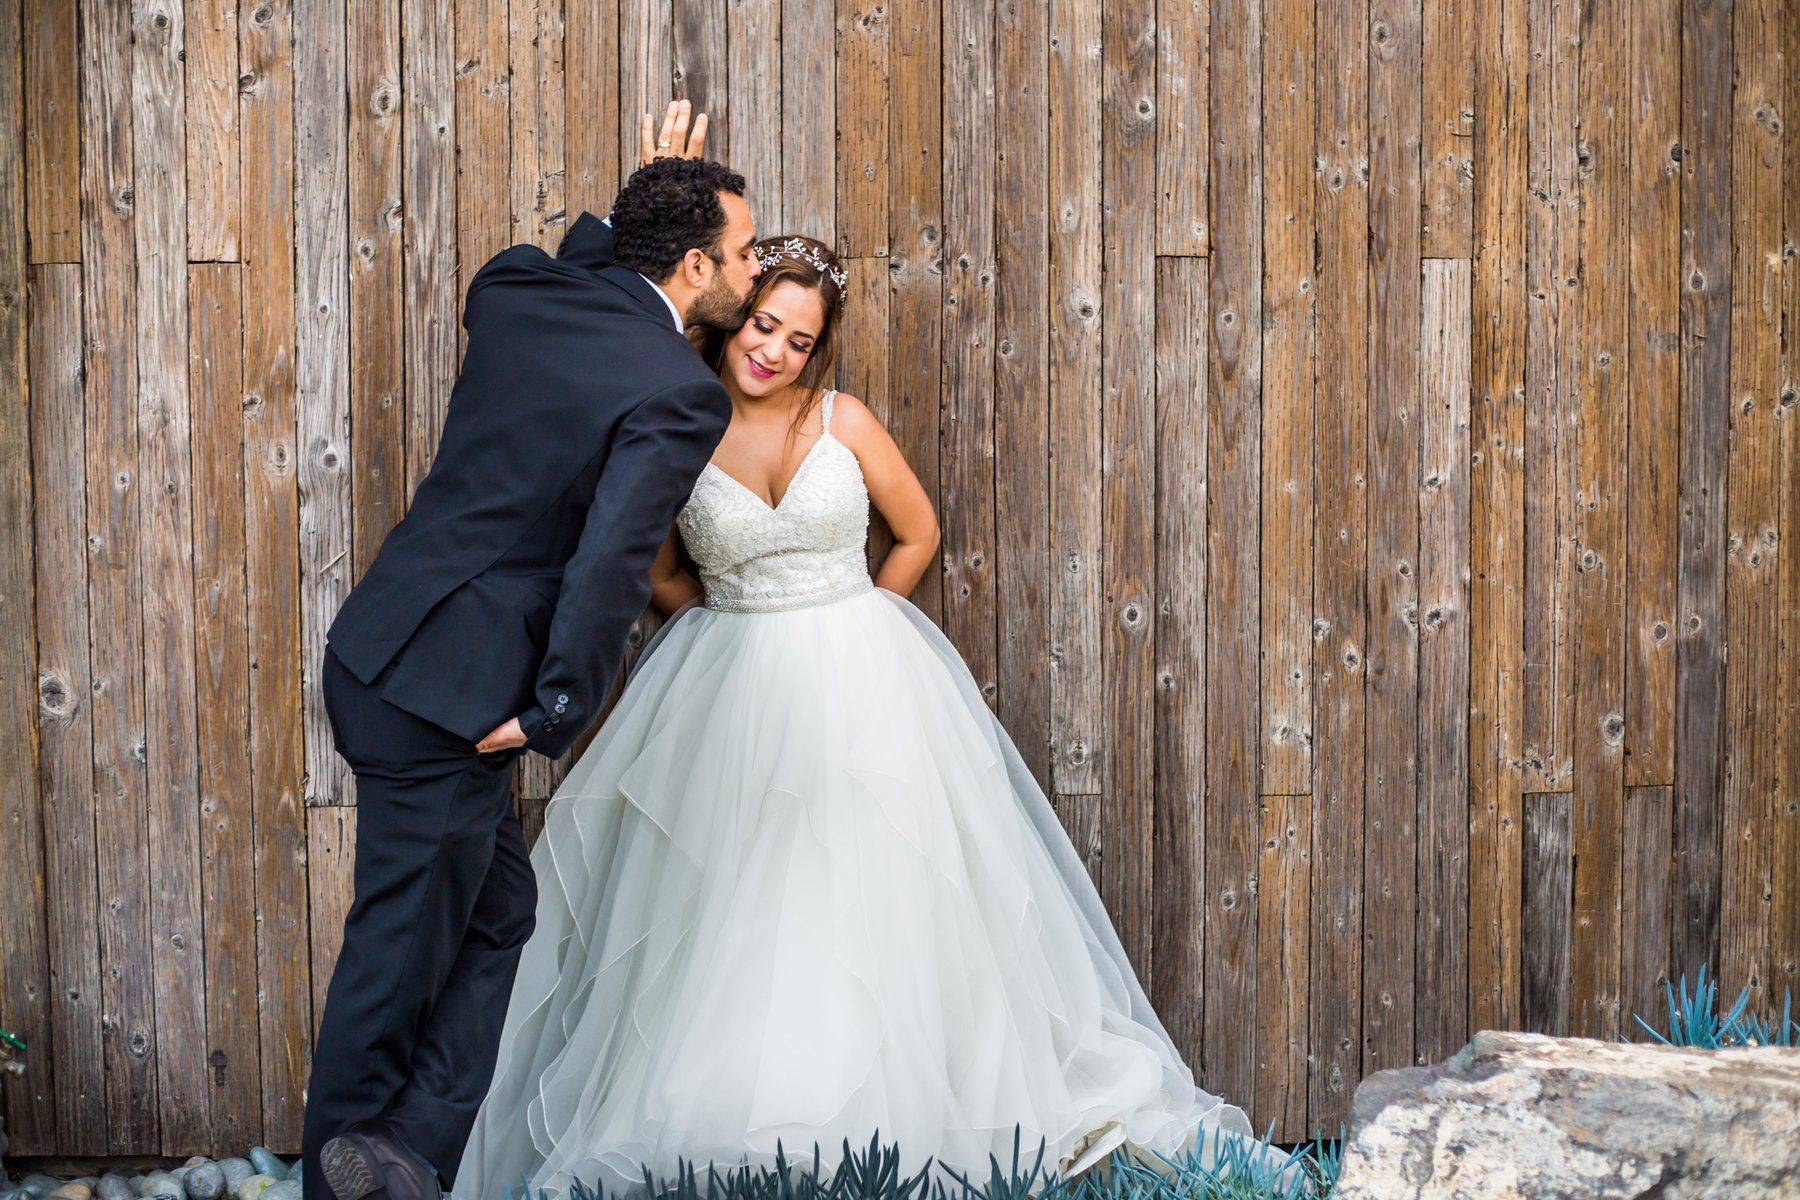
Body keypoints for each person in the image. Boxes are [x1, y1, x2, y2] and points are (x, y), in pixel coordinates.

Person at [449, 221, 1286, 1200]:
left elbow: (917, 529)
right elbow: (659, 572)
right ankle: (751, 1099)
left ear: (818, 349)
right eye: (763, 325)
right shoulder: (676, 426)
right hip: (729, 682)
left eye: (798, 339)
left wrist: (865, 624)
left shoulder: (842, 421)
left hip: (864, 675)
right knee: (740, 893)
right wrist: (735, 617)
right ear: (731, 317)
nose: (773, 351)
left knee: (872, 880)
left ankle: (899, 1096)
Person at [302, 105, 758, 1200]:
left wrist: (646, 191)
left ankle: (402, 1156)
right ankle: (342, 1182)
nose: (755, 268)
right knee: (394, 963)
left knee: (499, 916)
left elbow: (586, 265)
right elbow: (610, 564)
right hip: (448, 700)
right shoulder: (677, 390)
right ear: (695, 266)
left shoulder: (514, 291)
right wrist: (557, 709)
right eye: (743, 252)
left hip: (386, 656)